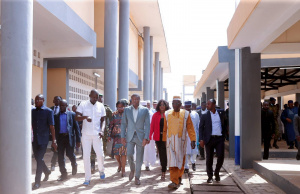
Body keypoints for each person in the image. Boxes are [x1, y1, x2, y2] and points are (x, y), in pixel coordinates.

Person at [75, 89, 106, 186]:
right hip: (86, 135)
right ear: (89, 95)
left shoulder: (100, 106)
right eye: (94, 97)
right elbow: (76, 117)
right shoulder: (83, 104)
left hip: (97, 134)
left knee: (100, 154)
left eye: (97, 97)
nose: (95, 99)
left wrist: (102, 130)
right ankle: (87, 178)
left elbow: (103, 120)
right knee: (86, 157)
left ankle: (101, 170)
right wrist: (85, 117)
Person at [165, 96, 196, 189]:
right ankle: (174, 181)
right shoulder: (167, 113)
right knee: (171, 161)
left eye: (177, 103)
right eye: (173, 103)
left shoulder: (186, 114)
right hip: (170, 142)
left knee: (180, 161)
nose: (175, 105)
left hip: (181, 142)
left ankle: (178, 177)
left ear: (181, 104)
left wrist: (193, 140)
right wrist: (163, 141)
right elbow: (164, 128)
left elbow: (190, 128)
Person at [121, 94, 150, 185]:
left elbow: (147, 125)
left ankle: (137, 177)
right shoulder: (126, 110)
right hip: (129, 136)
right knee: (129, 154)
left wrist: (146, 137)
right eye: (134, 99)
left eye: (137, 99)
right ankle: (132, 169)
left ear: (139, 100)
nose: (135, 101)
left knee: (139, 158)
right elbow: (123, 124)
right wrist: (122, 136)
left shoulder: (145, 110)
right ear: (131, 100)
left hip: (140, 137)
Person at [32, 94, 57, 190]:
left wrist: (54, 140)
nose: (37, 101)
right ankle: (46, 171)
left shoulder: (48, 111)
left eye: (38, 99)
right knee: (38, 159)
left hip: (43, 139)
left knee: (39, 159)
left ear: (43, 100)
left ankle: (37, 182)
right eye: (36, 99)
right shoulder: (32, 111)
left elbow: (52, 127)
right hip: (35, 140)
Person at [199, 99, 227, 183]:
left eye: (208, 104)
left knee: (221, 156)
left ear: (214, 105)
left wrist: (225, 134)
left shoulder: (221, 113)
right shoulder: (204, 115)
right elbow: (200, 128)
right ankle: (210, 176)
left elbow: (225, 123)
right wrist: (201, 139)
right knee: (209, 158)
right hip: (209, 139)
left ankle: (217, 172)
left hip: (219, 139)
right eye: (207, 104)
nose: (207, 105)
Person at [54, 99, 81, 181]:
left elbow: (77, 128)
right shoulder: (56, 116)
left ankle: (74, 164)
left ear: (66, 106)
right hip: (60, 139)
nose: (61, 107)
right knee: (60, 157)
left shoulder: (72, 114)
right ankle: (63, 174)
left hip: (69, 138)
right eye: (60, 105)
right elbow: (55, 129)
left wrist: (78, 140)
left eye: (63, 105)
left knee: (70, 154)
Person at [149, 99, 170, 180]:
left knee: (168, 153)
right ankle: (163, 170)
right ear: (158, 106)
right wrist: (149, 136)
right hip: (158, 137)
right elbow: (152, 126)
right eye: (160, 105)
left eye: (163, 105)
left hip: (168, 137)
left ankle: (168, 167)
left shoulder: (169, 114)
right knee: (162, 154)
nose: (162, 106)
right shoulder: (155, 115)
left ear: (166, 106)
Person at [107, 100, 127, 177]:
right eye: (119, 107)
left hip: (125, 137)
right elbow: (110, 125)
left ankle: (123, 170)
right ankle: (119, 164)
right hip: (116, 137)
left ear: (124, 107)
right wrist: (109, 135)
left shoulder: (127, 114)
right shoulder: (114, 115)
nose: (120, 108)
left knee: (124, 153)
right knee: (116, 154)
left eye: (122, 107)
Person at [184, 101, 199, 173]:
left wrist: (199, 136)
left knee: (194, 151)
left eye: (189, 106)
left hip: (193, 135)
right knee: (185, 152)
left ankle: (193, 162)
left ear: (191, 106)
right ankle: (186, 167)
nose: (187, 108)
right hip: (185, 136)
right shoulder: (182, 114)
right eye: (186, 107)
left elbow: (198, 125)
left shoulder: (195, 114)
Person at [142, 100, 156, 171]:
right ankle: (145, 164)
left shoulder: (150, 114)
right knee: (143, 150)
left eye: (147, 105)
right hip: (141, 135)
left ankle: (148, 164)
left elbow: (152, 125)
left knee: (149, 149)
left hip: (150, 135)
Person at [49, 96, 62, 171]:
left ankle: (53, 163)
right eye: (56, 100)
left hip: (59, 132)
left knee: (56, 149)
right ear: (53, 101)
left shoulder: (63, 110)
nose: (57, 101)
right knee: (55, 149)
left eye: (58, 100)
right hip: (51, 132)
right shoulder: (50, 109)